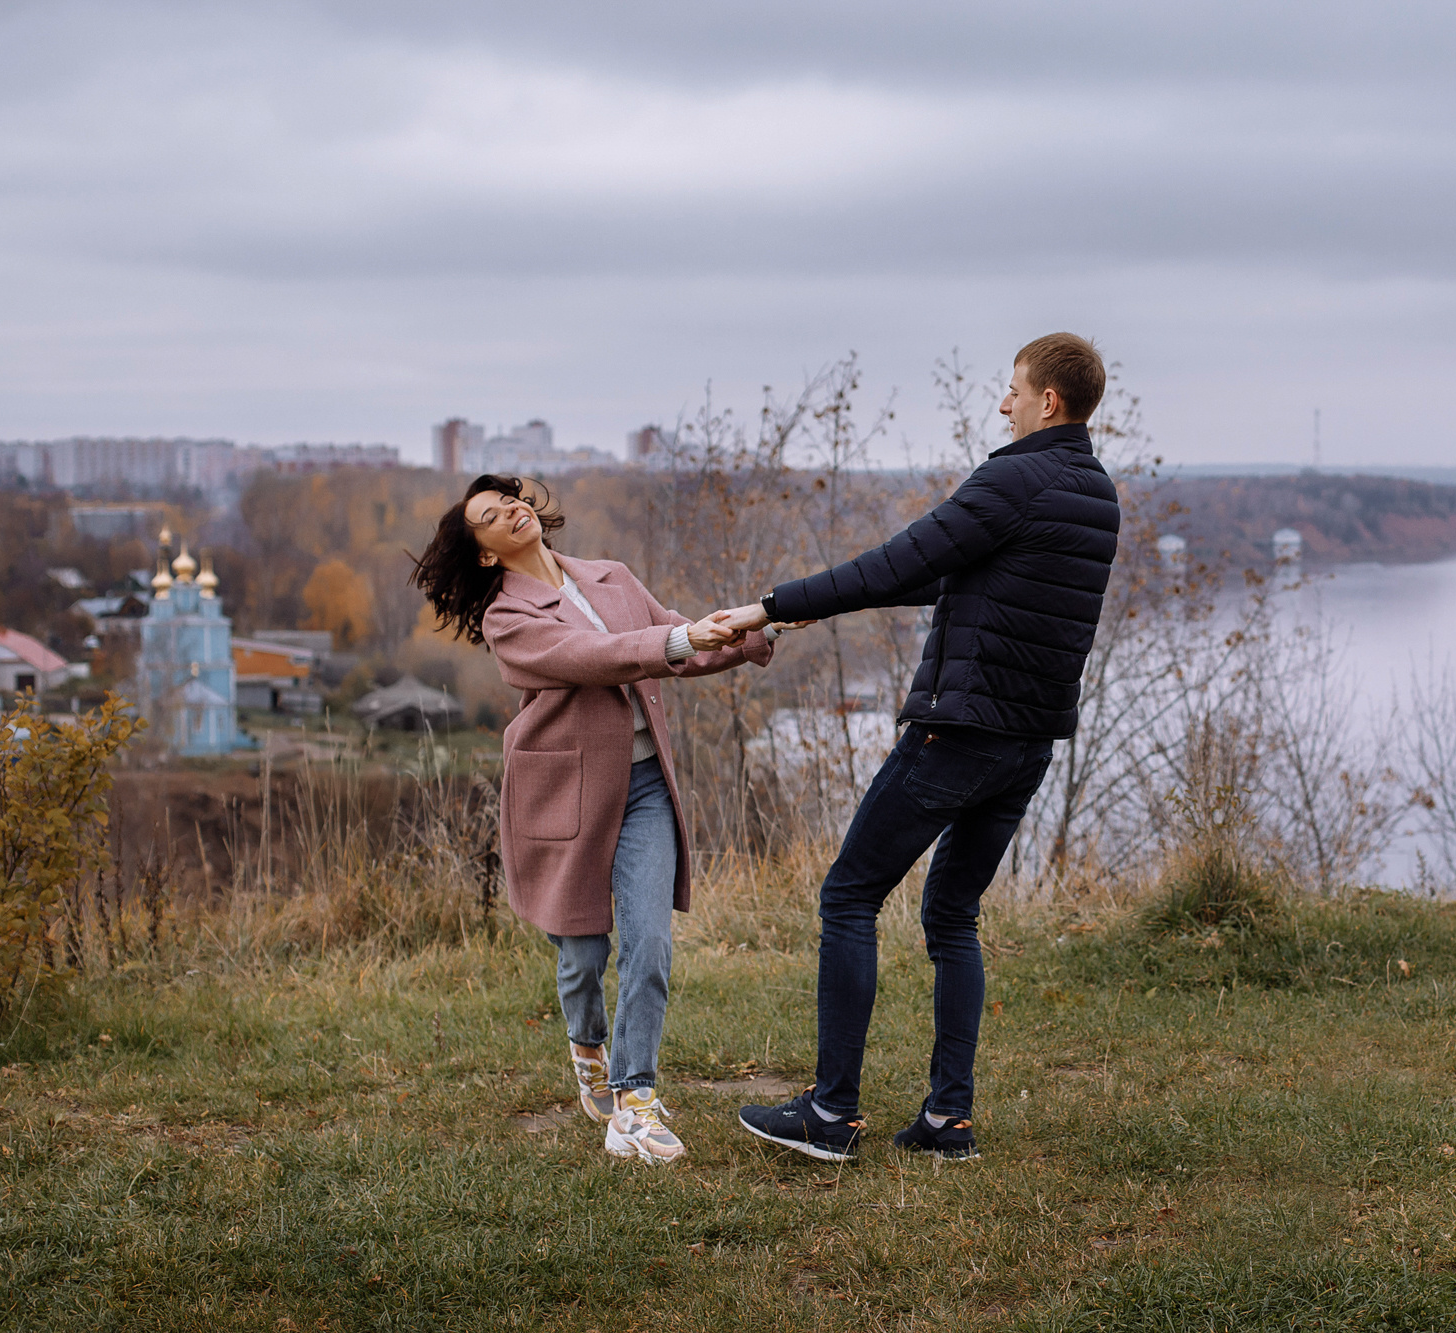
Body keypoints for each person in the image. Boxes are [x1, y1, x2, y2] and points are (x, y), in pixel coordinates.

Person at [721, 332, 1121, 1162]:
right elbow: (946, 573)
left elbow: (903, 555)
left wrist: (768, 605)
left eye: (1012, 388)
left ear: (1048, 400)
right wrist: (814, 608)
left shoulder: (1015, 474)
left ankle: (830, 1115)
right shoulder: (1093, 491)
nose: (1001, 402)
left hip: (959, 733)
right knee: (950, 913)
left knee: (850, 895)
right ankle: (948, 1121)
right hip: (1027, 744)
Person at [411, 474, 794, 1165]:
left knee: (649, 941)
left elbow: (686, 641)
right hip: (563, 795)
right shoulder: (508, 618)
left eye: (514, 500)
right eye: (493, 516)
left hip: (645, 786)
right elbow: (592, 658)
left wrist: (755, 627)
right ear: (488, 553)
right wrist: (675, 637)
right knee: (582, 955)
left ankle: (634, 1100)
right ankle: (586, 1044)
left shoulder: (611, 576)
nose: (514, 511)